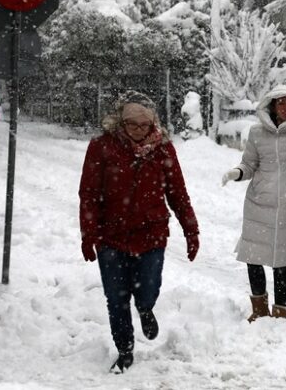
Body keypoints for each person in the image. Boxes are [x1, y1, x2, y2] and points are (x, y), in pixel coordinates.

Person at [78, 90, 200, 373]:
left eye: (144, 125)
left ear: (152, 124)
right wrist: (89, 235)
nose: (138, 131)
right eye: (132, 124)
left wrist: (191, 231)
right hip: (112, 236)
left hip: (151, 235)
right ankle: (125, 350)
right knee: (116, 297)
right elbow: (89, 194)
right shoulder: (101, 147)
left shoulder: (163, 149)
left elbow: (178, 194)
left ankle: (145, 309)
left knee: (148, 288)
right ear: (121, 122)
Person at [222, 85, 286, 322]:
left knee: (280, 262)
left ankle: (280, 314)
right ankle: (259, 310)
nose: (285, 107)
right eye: (279, 103)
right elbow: (249, 164)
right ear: (271, 105)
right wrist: (237, 173)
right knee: (253, 257)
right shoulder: (256, 133)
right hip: (258, 203)